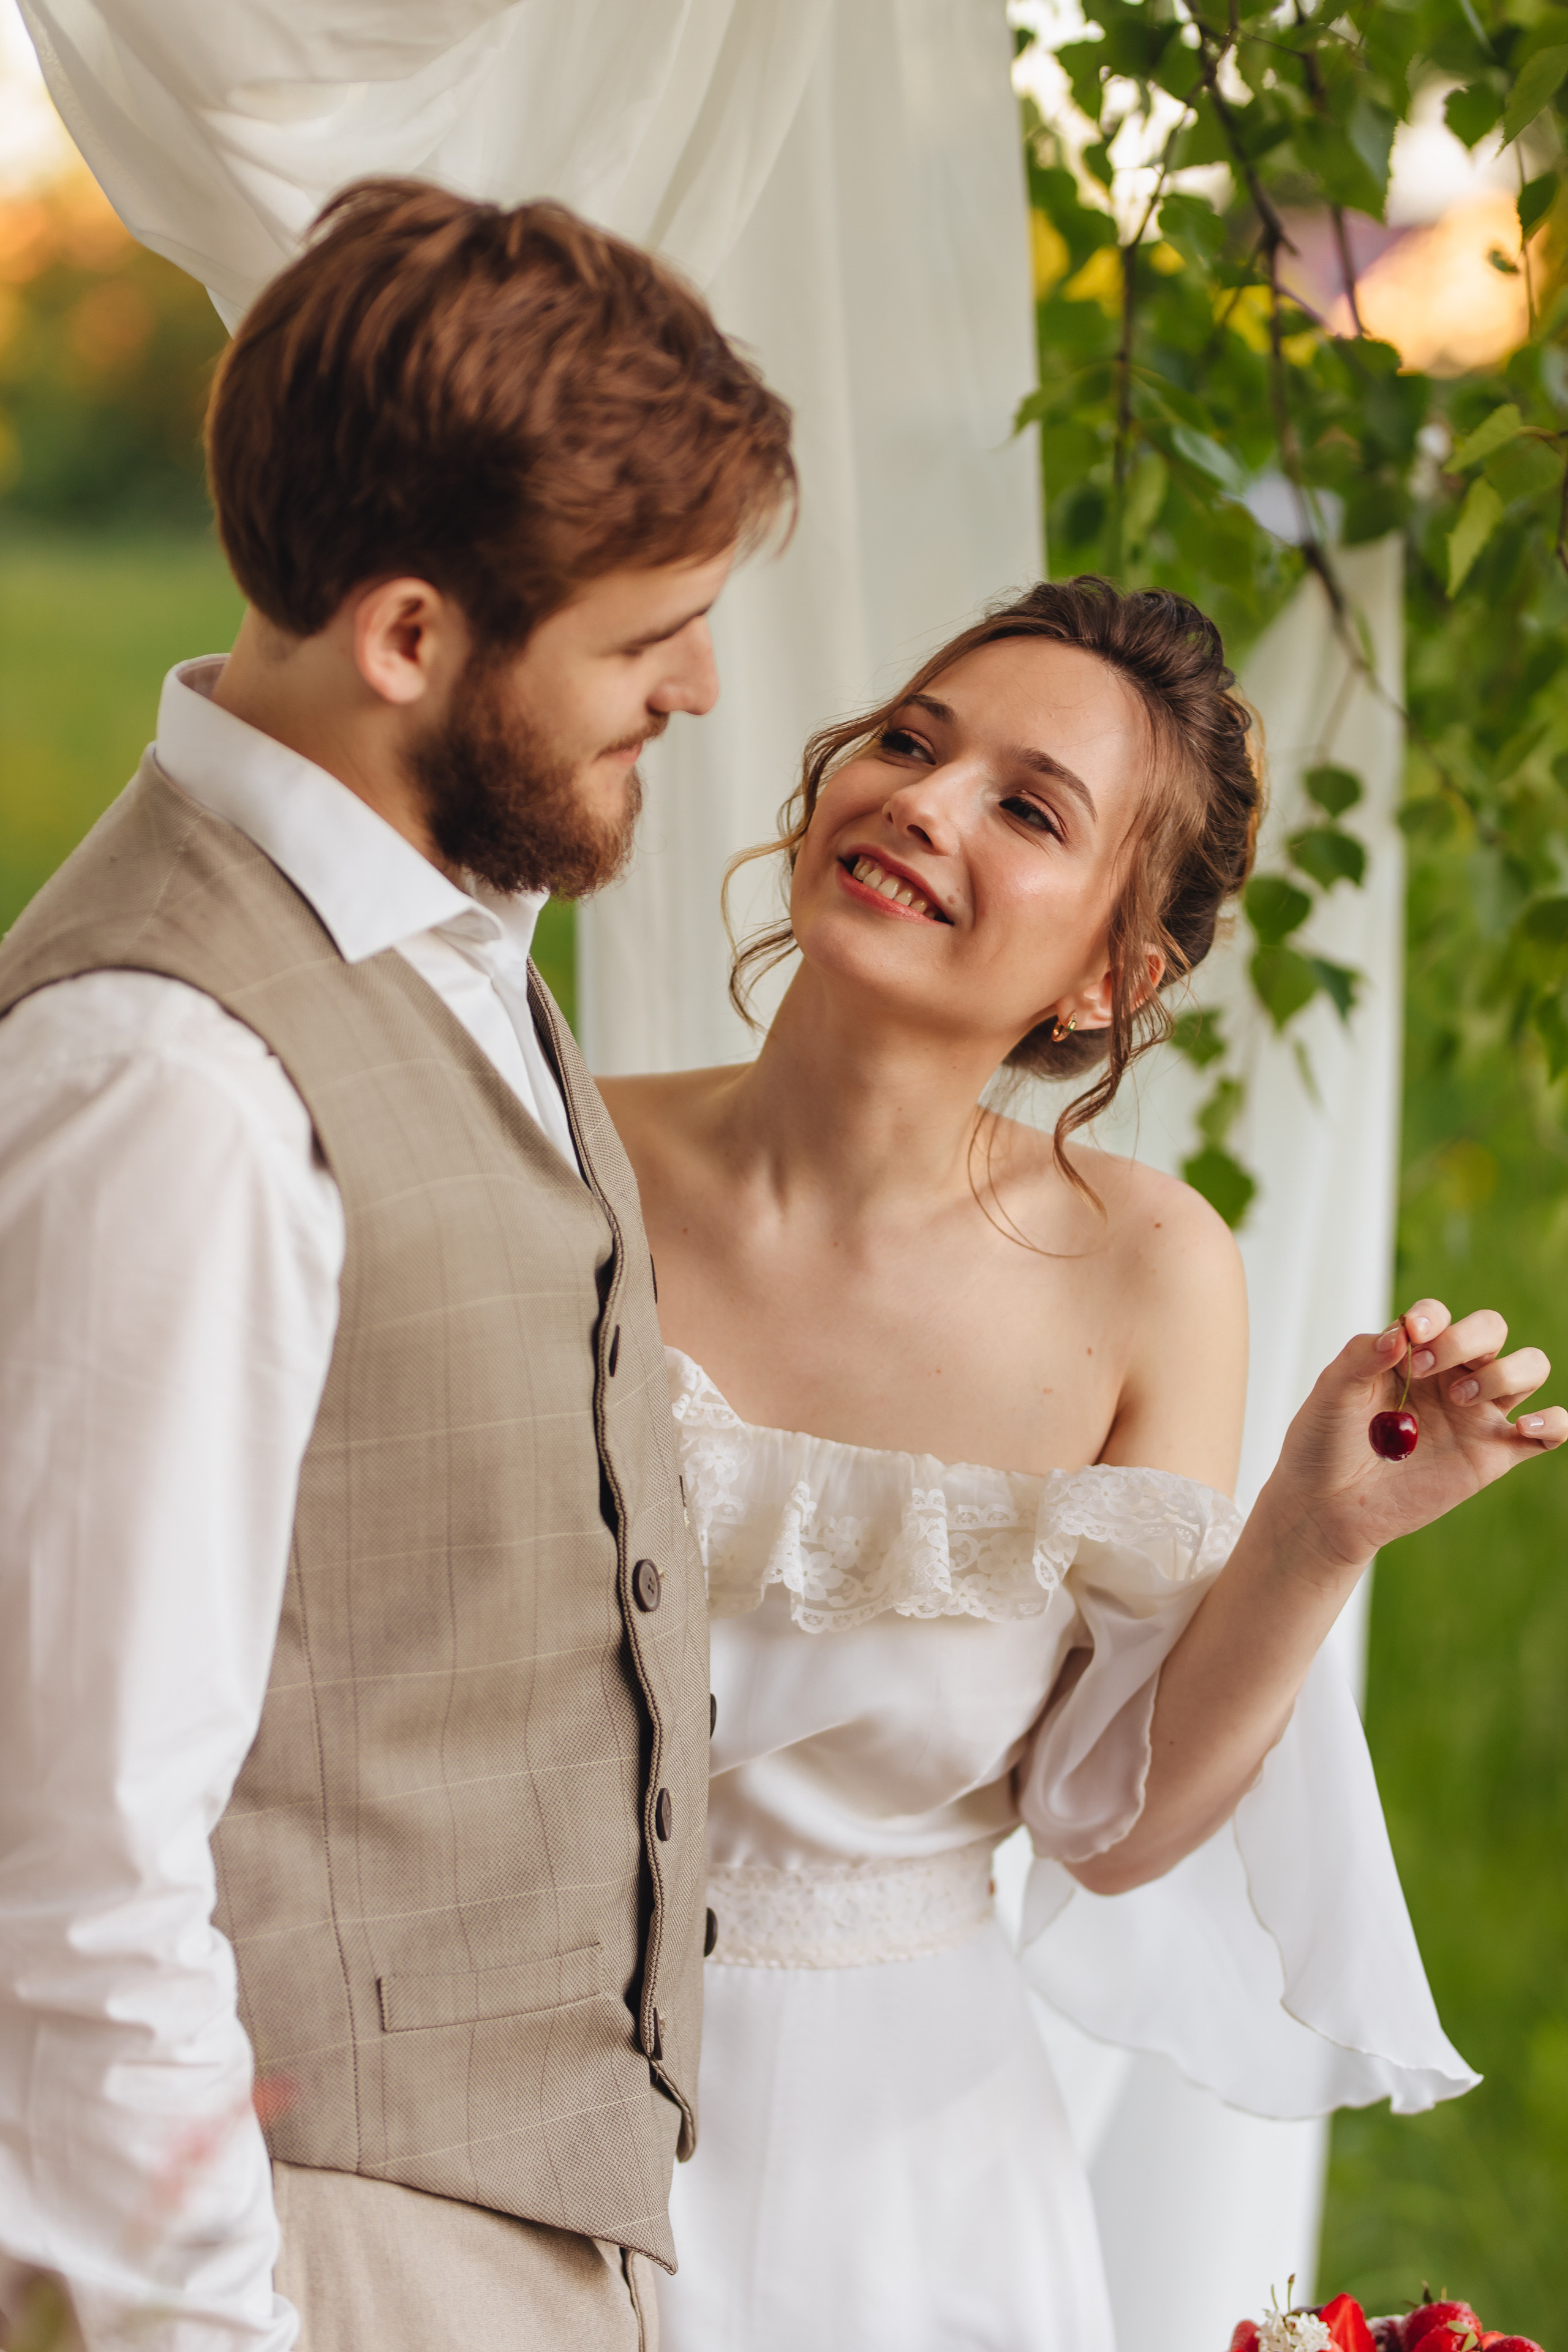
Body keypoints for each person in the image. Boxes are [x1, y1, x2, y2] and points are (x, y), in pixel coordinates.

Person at [0, 180, 794, 2352]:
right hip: (310, 2252)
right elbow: (68, 1855)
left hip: (516, 2229)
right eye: (646, 639)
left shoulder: (450, 947)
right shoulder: (170, 1071)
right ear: (414, 639)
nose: (705, 688)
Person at [599, 578, 1566, 2351]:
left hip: (892, 2183)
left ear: (1119, 974)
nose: (922, 801)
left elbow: (1103, 1826)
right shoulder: (562, 1153)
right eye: (910, 740)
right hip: (498, 2088)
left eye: (1027, 808)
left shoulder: (1147, 1269)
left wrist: (1315, 1535)